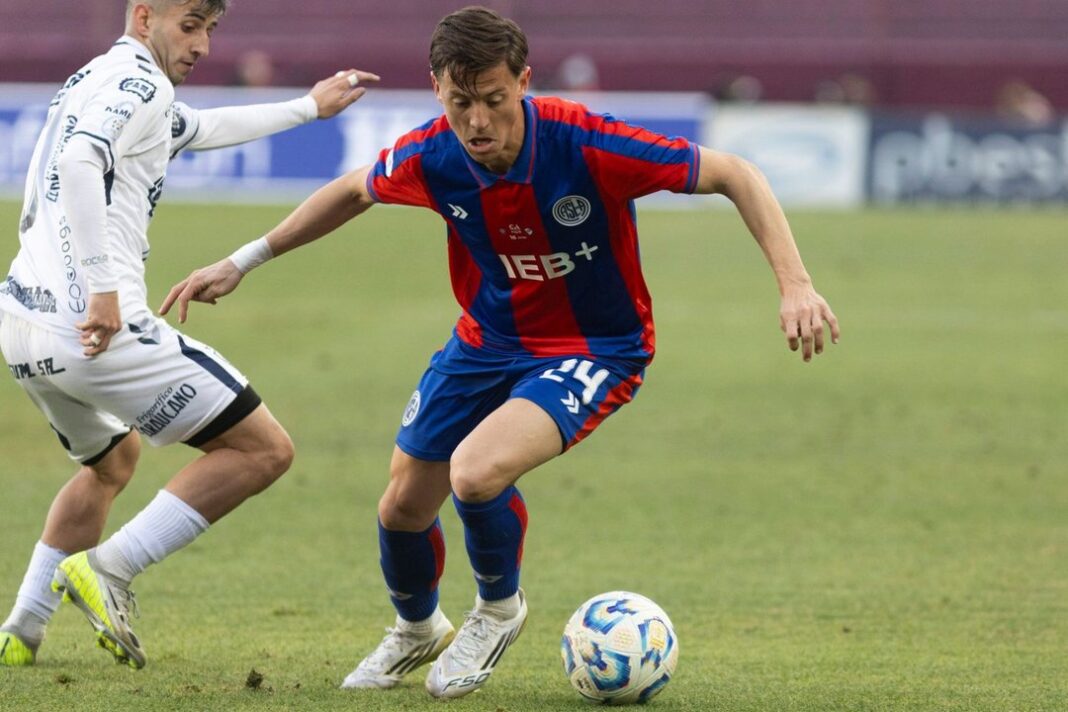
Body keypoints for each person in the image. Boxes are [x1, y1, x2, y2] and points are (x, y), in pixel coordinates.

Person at [161, 5, 840, 699]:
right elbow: (352, 190)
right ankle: (418, 628)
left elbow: (736, 173)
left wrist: (796, 285)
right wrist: (244, 261)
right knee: (400, 508)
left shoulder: (586, 143)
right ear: (436, 90)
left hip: (596, 346)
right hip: (486, 340)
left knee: (476, 473)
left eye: (493, 100)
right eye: (461, 103)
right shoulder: (435, 155)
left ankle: (497, 610)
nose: (478, 122)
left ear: (523, 82)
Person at [0, 0, 378, 669]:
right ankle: (108, 568)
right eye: (190, 24)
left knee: (111, 463)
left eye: (211, 28)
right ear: (144, 16)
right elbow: (84, 163)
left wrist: (308, 108)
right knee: (263, 450)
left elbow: (200, 127)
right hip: (89, 325)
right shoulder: (140, 84)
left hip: (23, 326)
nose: (202, 43)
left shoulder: (101, 78)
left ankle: (21, 630)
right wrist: (103, 287)